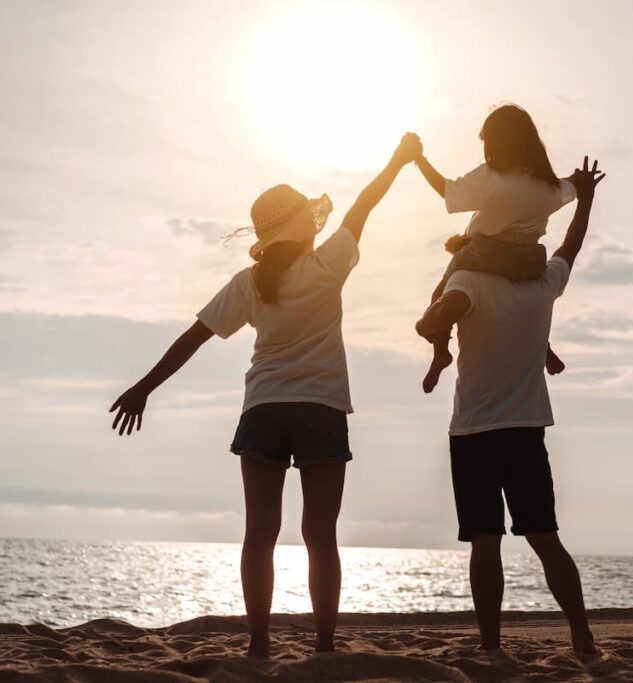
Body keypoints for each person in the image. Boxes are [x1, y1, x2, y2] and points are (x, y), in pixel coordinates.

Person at [109, 133, 423, 658]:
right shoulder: (329, 264)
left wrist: (144, 388)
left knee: (260, 533)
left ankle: (258, 645)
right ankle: (323, 646)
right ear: (304, 227)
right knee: (320, 535)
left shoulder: (250, 282)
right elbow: (366, 202)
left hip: (264, 410)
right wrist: (399, 160)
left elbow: (194, 338)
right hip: (320, 409)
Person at [416, 157, 606, 654]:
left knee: (485, 543)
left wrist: (432, 326)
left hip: (474, 432)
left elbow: (434, 318)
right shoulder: (543, 287)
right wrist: (584, 201)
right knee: (545, 538)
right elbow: (571, 246)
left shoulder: (468, 283)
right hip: (525, 430)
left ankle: (491, 648)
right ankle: (583, 639)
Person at [413, 104, 577, 393]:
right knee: (529, 301)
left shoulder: (492, 175)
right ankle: (545, 349)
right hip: (529, 262)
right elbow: (568, 189)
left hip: (484, 253)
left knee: (441, 292)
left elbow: (448, 191)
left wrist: (419, 159)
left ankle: (440, 347)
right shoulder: (546, 185)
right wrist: (582, 182)